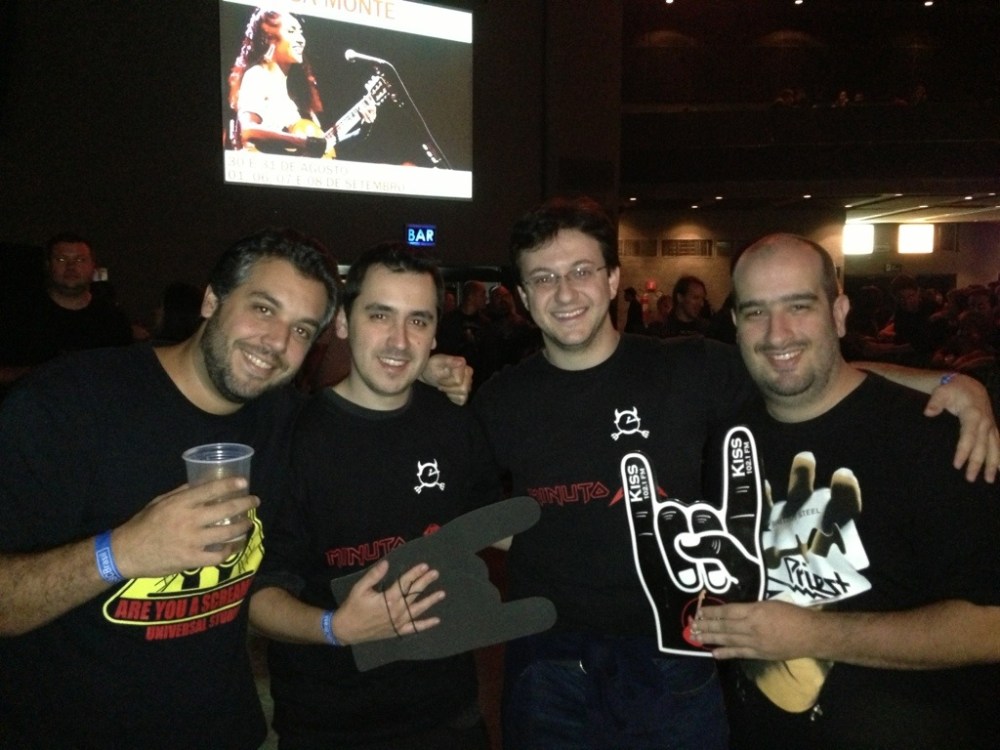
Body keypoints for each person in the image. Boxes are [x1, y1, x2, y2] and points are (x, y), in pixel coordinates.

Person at [471, 197, 998, 750]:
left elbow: (797, 364)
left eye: (582, 271)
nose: (565, 292)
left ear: (611, 279)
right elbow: (457, 495)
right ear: (524, 296)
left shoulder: (688, 367)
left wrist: (947, 384)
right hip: (550, 659)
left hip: (674, 656)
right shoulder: (501, 399)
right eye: (544, 278)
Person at [0, 228, 470, 750]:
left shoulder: (282, 419)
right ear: (212, 299)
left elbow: (358, 401)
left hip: (224, 729)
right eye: (263, 309)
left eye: (301, 329)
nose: (276, 342)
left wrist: (416, 367)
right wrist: (120, 552)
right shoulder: (68, 405)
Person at [690, 234, 1000, 749]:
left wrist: (815, 634)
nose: (777, 333)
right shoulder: (726, 436)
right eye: (756, 312)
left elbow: (991, 626)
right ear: (736, 325)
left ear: (838, 313)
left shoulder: (933, 438)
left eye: (799, 306)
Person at [250, 242, 502, 749]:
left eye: (418, 320)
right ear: (343, 323)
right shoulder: (293, 439)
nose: (399, 341)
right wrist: (335, 626)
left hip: (448, 713)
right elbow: (257, 597)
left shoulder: (454, 424)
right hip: (331, 723)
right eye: (380, 315)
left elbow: (490, 520)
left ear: (436, 333)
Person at [227, 8, 376, 158]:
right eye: (291, 31)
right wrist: (304, 142)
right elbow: (248, 131)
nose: (301, 40)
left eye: (300, 32)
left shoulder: (293, 92)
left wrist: (363, 128)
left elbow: (324, 149)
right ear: (269, 37)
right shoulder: (258, 75)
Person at [0, 232, 133, 392]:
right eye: (61, 259)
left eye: (80, 260)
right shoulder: (17, 313)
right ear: (48, 265)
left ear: (93, 267)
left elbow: (126, 373)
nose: (71, 267)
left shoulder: (112, 319)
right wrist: (33, 373)